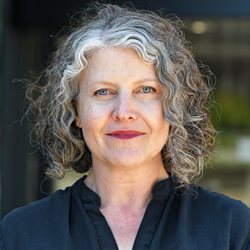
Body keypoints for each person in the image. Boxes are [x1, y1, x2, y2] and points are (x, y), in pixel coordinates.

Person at [0, 4, 249, 250]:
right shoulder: (21, 234)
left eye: (146, 90)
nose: (124, 112)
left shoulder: (232, 229)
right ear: (75, 110)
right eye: (103, 91)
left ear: (174, 105)